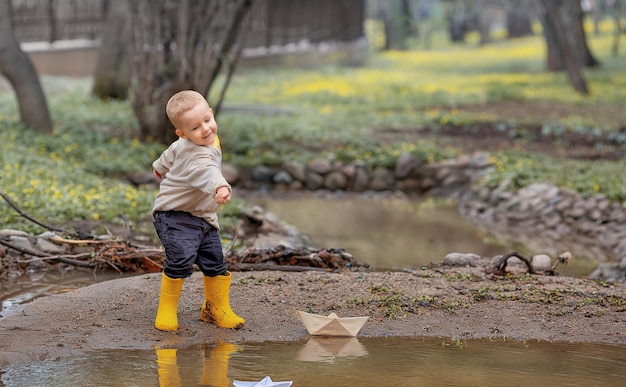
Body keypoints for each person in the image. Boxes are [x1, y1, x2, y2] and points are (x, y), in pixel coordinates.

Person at [151, 90, 245, 332]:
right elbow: (208, 172)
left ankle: (215, 309)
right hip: (174, 214)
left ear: (211, 114)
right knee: (181, 259)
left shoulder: (200, 139)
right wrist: (221, 186)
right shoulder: (197, 155)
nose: (205, 129)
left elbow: (169, 153)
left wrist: (159, 167)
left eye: (207, 120)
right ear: (182, 134)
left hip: (203, 215)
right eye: (195, 128)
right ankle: (167, 310)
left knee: (215, 261)